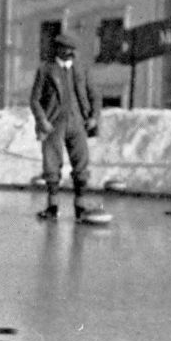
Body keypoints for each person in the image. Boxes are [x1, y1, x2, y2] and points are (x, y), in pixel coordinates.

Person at [29, 32, 100, 219]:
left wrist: (94, 117)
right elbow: (35, 100)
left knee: (81, 163)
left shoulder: (81, 69)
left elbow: (94, 95)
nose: (70, 52)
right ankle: (52, 206)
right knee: (51, 164)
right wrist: (42, 120)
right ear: (58, 49)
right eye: (66, 49)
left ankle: (80, 206)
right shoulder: (46, 69)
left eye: (72, 49)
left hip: (78, 121)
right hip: (54, 123)